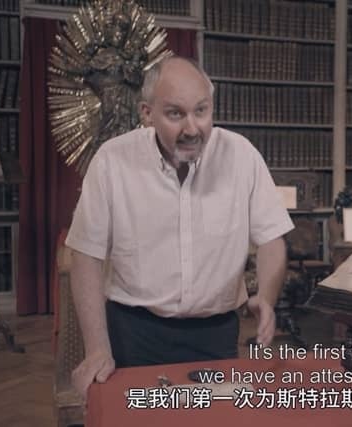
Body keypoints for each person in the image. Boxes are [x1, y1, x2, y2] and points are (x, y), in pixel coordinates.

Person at [65, 56, 294, 401]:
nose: (192, 128)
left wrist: (266, 296)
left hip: (216, 334)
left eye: (201, 111)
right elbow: (85, 254)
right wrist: (97, 347)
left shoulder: (241, 156)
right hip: (134, 333)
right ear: (147, 113)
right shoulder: (112, 161)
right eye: (175, 114)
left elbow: (272, 238)